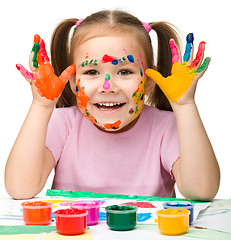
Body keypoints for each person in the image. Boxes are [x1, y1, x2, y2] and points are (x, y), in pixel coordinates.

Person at [5, 10, 220, 201]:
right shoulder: (63, 123)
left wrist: (185, 106)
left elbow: (201, 191)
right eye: (91, 72)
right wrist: (41, 107)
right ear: (72, 82)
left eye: (125, 72)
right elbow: (20, 188)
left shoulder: (165, 126)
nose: (108, 86)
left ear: (149, 83)